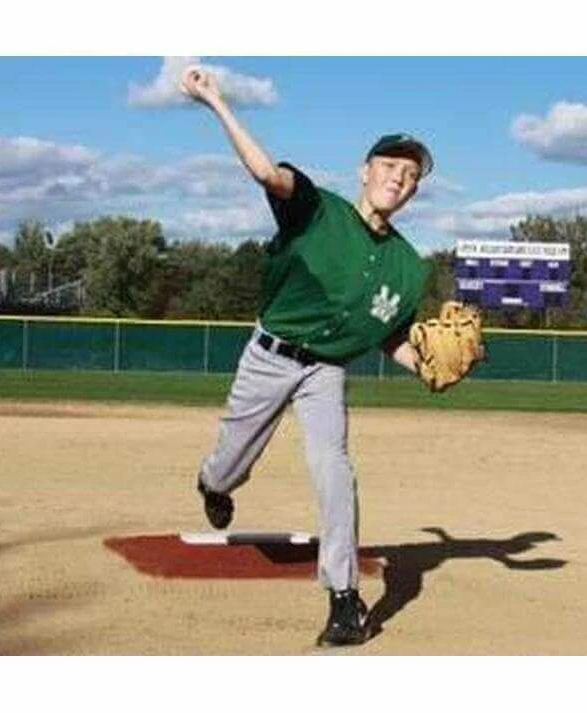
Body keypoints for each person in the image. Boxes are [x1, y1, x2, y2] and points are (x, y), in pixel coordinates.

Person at [180, 66, 434, 647]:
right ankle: (213, 483)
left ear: (414, 192)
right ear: (365, 172)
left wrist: (427, 366)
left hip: (326, 370)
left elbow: (391, 337)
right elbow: (267, 173)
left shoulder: (408, 267)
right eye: (390, 166)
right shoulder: (317, 208)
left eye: (410, 175)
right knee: (230, 464)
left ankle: (344, 599)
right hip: (270, 355)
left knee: (334, 469)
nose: (398, 178)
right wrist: (215, 100)